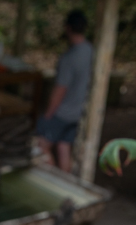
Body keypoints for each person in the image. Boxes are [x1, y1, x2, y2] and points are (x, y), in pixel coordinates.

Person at [36, 10, 92, 173]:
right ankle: (65, 182)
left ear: (68, 28)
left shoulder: (69, 58)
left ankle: (53, 179)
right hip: (79, 113)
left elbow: (60, 90)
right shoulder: (92, 52)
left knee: (41, 146)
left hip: (62, 113)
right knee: (64, 146)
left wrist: (48, 115)